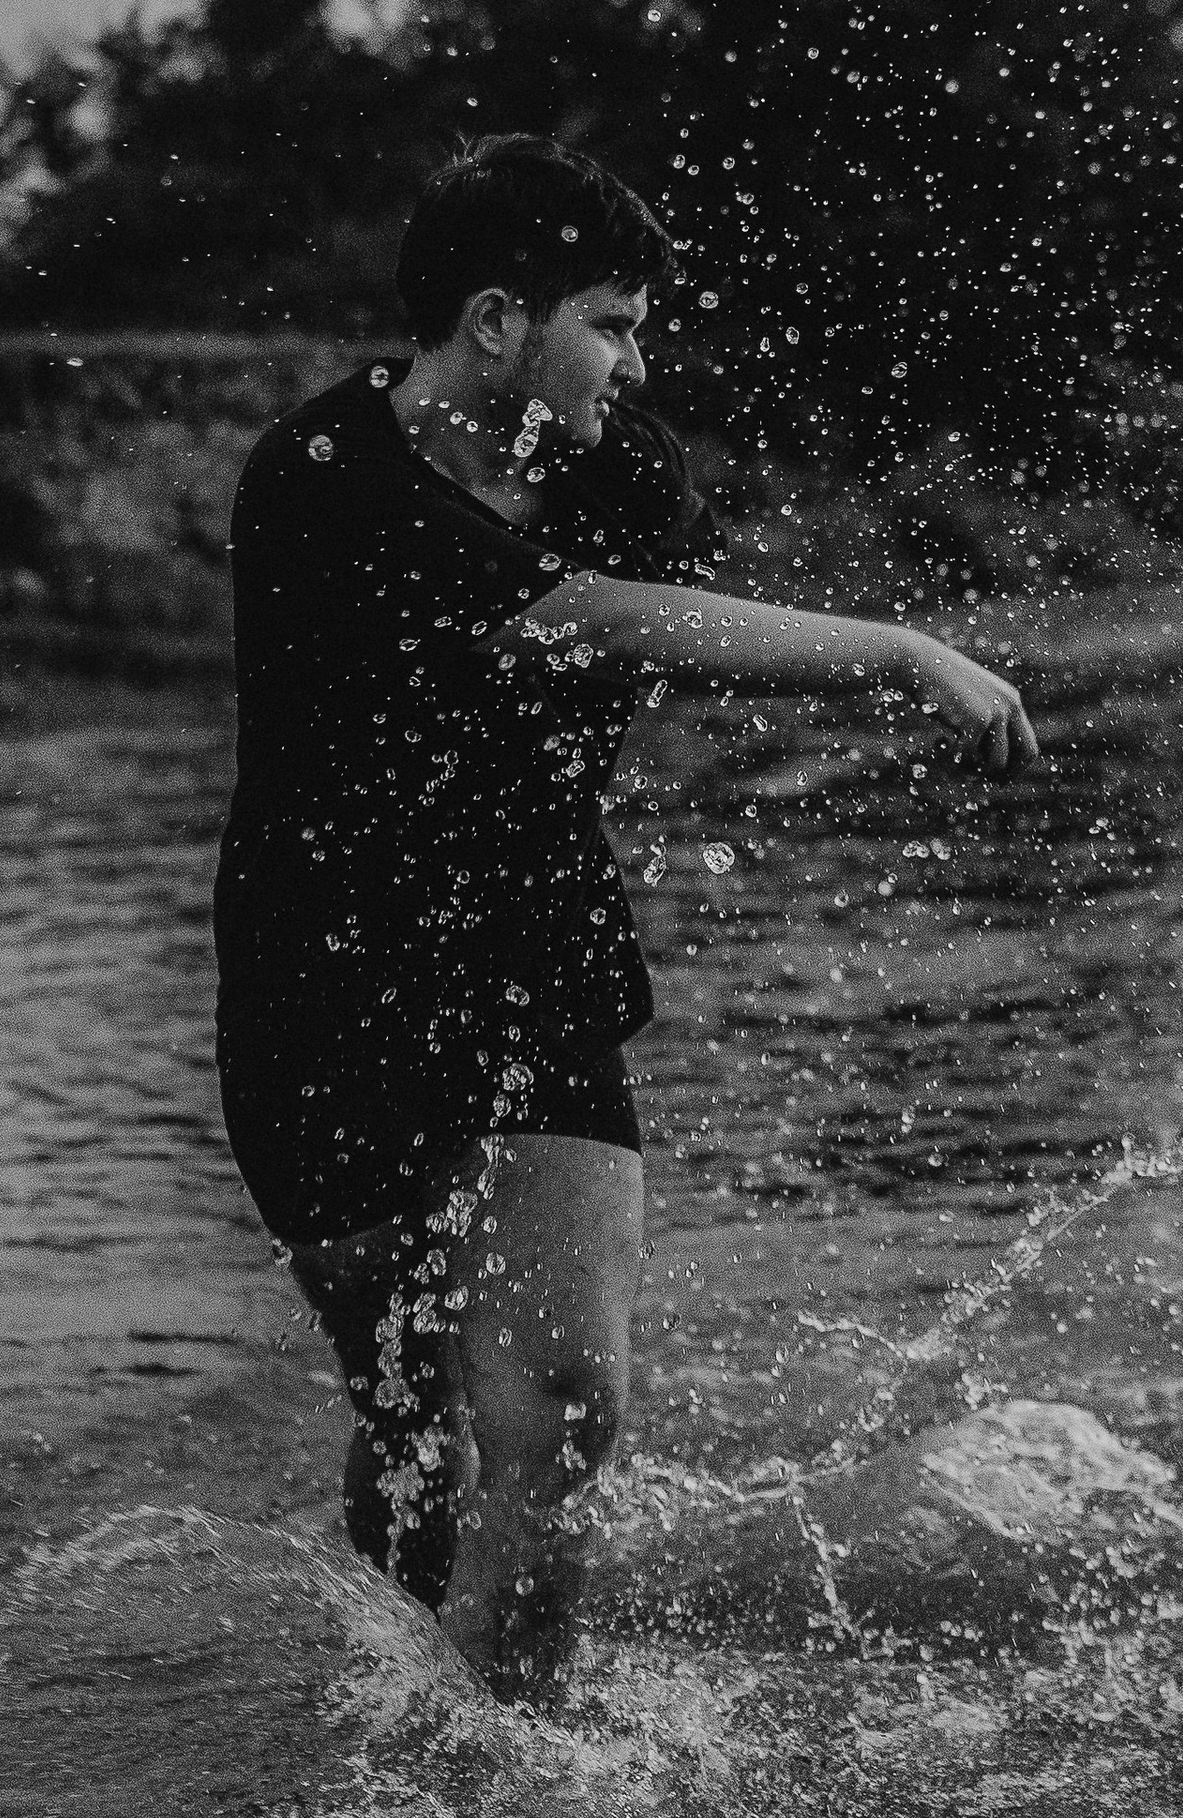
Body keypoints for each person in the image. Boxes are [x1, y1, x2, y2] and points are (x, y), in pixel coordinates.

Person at [214, 132, 1038, 1691]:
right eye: (615, 320)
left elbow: (643, 660)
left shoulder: (625, 472)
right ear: (499, 322)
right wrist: (896, 647)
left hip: (533, 946)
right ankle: (399, 1711)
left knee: (567, 1402)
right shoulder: (315, 478)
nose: (636, 361)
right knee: (416, 1414)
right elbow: (568, 627)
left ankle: (511, 1755)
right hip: (323, 978)